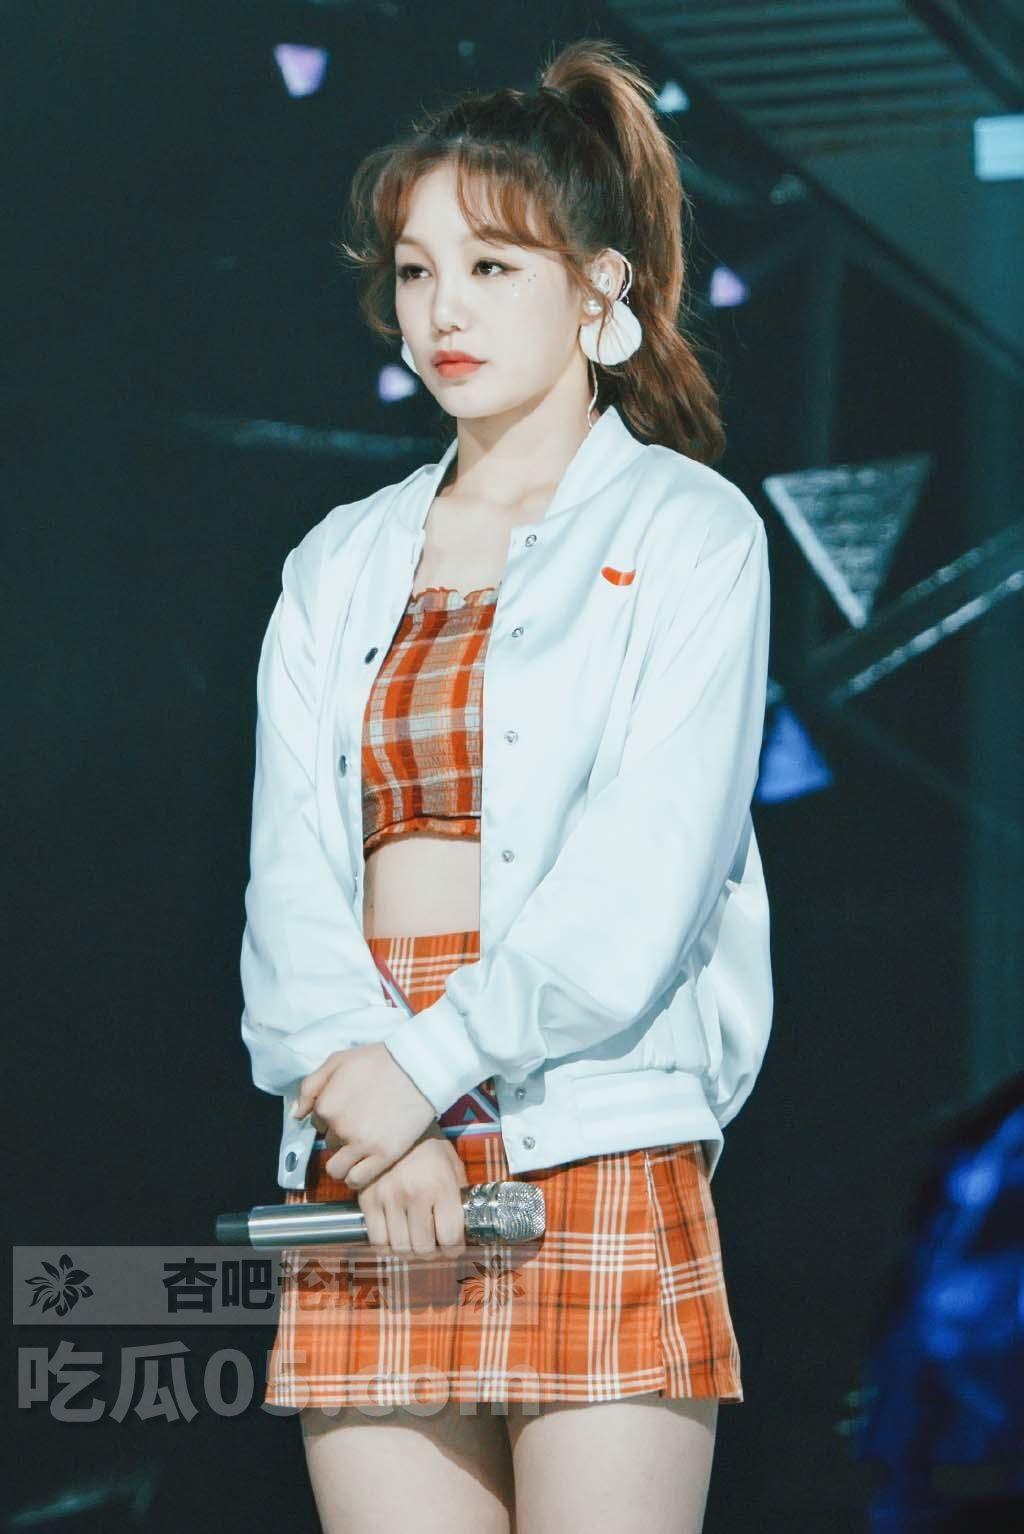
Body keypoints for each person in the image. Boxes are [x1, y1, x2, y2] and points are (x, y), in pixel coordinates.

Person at [239, 36, 773, 1534]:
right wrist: (364, 1089)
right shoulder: (340, 557)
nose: (445, 310)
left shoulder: (689, 532)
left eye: (492, 266)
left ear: (599, 288)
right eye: (417, 272)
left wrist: (430, 1066)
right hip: (367, 1124)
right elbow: (290, 868)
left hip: (582, 1112)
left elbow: (649, 871)